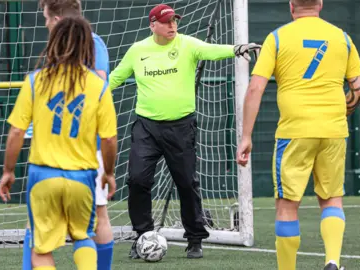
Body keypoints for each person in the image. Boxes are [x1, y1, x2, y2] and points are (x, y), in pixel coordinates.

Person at [108, 4, 261, 259]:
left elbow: (211, 51)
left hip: (181, 127)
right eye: (166, 22)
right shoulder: (138, 51)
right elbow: (114, 78)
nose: (172, 26)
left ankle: (195, 238)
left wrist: (237, 49)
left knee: (187, 183)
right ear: (152, 24)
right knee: (137, 180)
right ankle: (143, 236)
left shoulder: (187, 44)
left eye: (174, 21)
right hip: (146, 127)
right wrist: (90, 93)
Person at [236, 1, 360, 270]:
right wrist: (339, 114)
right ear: (320, 4)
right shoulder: (342, 37)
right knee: (332, 199)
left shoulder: (277, 37)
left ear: (291, 5)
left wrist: (246, 137)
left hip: (294, 132)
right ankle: (332, 261)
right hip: (333, 130)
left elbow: (254, 90)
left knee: (287, 206)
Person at [0, 16, 118, 270]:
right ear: (87, 46)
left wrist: (8, 171)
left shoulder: (35, 80)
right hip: (82, 178)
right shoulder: (98, 86)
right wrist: (108, 172)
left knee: (41, 249)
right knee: (83, 237)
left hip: (42, 177)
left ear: (54, 43)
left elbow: (17, 132)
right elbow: (108, 138)